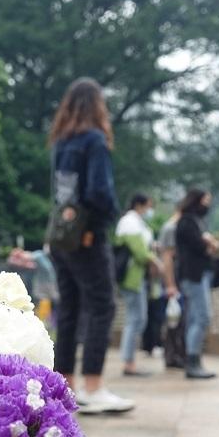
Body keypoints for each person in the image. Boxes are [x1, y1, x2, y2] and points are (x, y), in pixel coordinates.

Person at [48, 78, 135, 414]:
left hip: (61, 238)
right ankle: (93, 385)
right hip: (87, 236)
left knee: (69, 310)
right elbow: (100, 192)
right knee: (102, 307)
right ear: (97, 106)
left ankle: (66, 387)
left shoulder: (61, 143)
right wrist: (105, 218)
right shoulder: (94, 141)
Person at [175, 188, 219, 379]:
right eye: (205, 201)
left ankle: (193, 361)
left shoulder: (194, 221)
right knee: (202, 317)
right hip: (193, 276)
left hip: (197, 275)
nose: (207, 205)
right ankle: (192, 361)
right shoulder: (187, 222)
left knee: (195, 318)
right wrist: (208, 242)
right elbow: (199, 246)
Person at [115, 193, 162, 376]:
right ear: (139, 205)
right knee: (136, 319)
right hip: (131, 279)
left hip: (136, 279)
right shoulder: (130, 222)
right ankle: (128, 362)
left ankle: (130, 360)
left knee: (137, 319)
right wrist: (155, 261)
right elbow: (140, 252)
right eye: (148, 206)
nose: (150, 210)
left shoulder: (135, 222)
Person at [157, 206, 186, 369]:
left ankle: (175, 355)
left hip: (174, 279)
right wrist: (170, 284)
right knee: (175, 319)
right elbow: (166, 257)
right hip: (173, 280)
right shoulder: (170, 228)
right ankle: (173, 356)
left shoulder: (170, 228)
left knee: (175, 319)